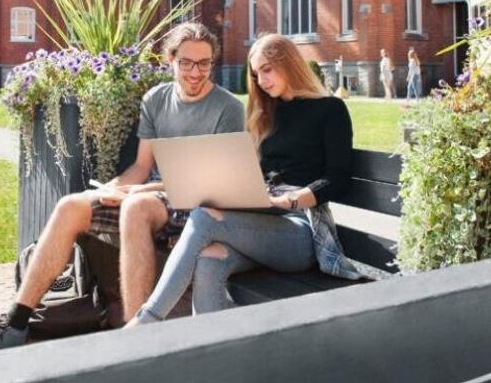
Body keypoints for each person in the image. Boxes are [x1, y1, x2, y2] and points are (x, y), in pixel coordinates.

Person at [0, 22, 246, 350]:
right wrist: (107, 189)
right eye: (187, 63)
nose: (196, 72)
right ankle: (16, 323)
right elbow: (141, 166)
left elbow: (213, 181)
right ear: (170, 60)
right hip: (154, 194)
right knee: (72, 205)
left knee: (136, 206)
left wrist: (140, 191)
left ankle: (136, 337)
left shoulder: (228, 108)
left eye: (204, 63)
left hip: (195, 203)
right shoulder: (156, 99)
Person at [128, 33, 368, 325]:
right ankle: (212, 355)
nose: (261, 80)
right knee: (209, 258)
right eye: (256, 74)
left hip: (301, 229)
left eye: (267, 70)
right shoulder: (267, 115)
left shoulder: (330, 109)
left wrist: (290, 199)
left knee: (204, 219)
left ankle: (145, 324)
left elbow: (339, 178)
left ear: (289, 63)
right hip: (261, 221)